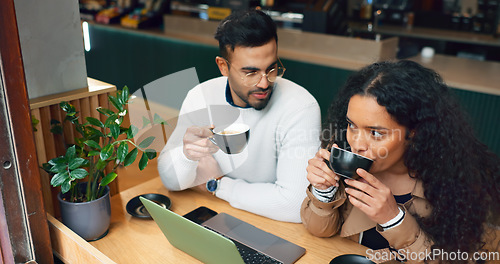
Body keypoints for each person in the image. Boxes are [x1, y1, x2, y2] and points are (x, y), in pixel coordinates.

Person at [301, 60, 500, 263]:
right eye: (352, 125)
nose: (357, 144)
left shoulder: (454, 184)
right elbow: (319, 231)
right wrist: (323, 192)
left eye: (376, 132)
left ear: (414, 132)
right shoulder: (343, 152)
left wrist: (393, 219)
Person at [157, 9, 321, 223]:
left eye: (271, 69)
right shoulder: (201, 96)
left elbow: (293, 205)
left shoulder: (300, 107)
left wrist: (217, 183)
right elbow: (170, 180)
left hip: (274, 226)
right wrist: (187, 156)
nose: (264, 83)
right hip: (216, 214)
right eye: (250, 73)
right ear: (223, 66)